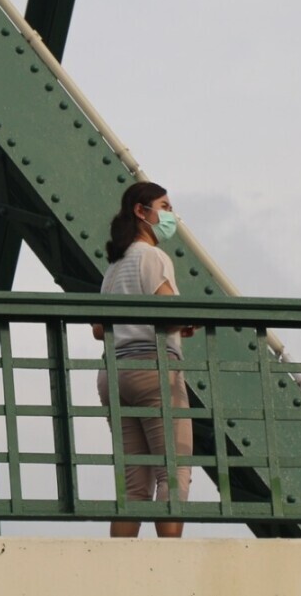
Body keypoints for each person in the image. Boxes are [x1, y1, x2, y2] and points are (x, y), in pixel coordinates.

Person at [95, 181, 193, 539]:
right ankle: (169, 563)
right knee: (174, 473)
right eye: (164, 207)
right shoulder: (152, 256)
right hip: (153, 369)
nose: (169, 216)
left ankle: (121, 569)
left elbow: (97, 329)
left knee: (134, 486)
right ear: (142, 211)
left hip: (114, 373)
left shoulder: (114, 268)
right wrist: (187, 320)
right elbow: (168, 311)